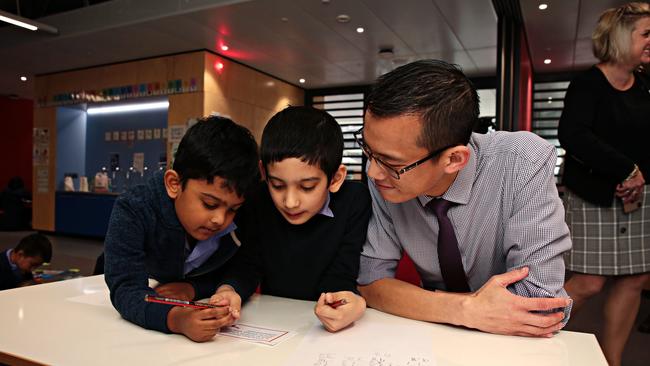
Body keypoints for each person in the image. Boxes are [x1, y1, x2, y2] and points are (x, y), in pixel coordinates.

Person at [356, 59, 572, 338]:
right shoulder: (385, 177)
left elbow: (538, 307)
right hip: (435, 332)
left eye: (391, 162)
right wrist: (463, 309)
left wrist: (430, 304)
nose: (373, 172)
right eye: (369, 151)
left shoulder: (522, 161)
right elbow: (371, 281)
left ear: (454, 159)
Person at [104, 116, 260, 342]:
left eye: (233, 209)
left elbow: (247, 266)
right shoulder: (135, 208)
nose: (220, 219)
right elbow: (126, 287)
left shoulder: (243, 211)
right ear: (174, 184)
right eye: (209, 204)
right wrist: (176, 318)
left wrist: (226, 289)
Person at [215, 106, 371, 332]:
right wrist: (229, 290)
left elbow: (343, 272)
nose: (289, 202)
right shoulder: (257, 199)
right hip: (272, 320)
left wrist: (344, 301)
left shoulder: (354, 201)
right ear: (264, 172)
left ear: (336, 178)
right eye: (277, 185)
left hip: (320, 325)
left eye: (307, 187)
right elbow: (249, 263)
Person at [558, 3, 650, 365]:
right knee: (589, 281)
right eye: (646, 33)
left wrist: (639, 176)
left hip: (640, 197)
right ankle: (534, 342)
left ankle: (611, 361)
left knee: (633, 280)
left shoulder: (644, 85)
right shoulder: (588, 84)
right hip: (594, 195)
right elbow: (574, 135)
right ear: (621, 36)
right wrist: (625, 170)